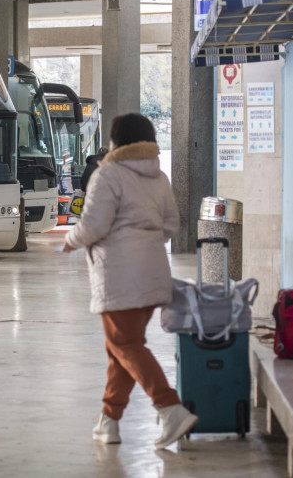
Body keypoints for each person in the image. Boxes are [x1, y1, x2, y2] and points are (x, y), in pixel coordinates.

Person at [62, 113, 197, 448]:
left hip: (120, 275)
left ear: (116, 141)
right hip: (152, 273)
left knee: (125, 346)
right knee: (121, 349)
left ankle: (170, 408)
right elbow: (171, 226)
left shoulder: (108, 174)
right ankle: (109, 421)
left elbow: (94, 225)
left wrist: (71, 240)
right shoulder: (159, 177)